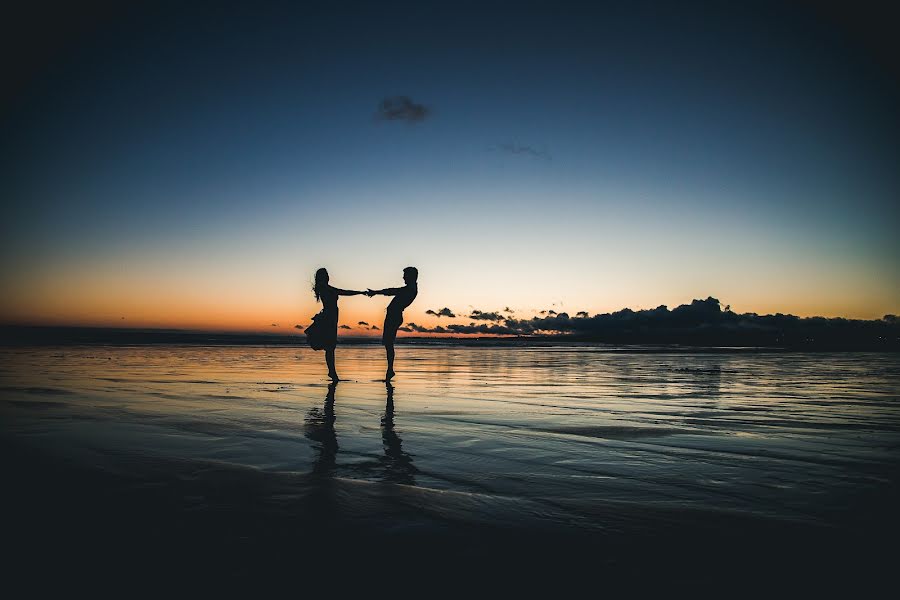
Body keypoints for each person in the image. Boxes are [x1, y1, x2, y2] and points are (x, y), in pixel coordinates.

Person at [311, 268, 366, 381]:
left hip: (330, 318)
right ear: (323, 277)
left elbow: (342, 292)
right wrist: (359, 292)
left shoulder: (323, 288)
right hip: (329, 319)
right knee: (330, 346)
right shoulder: (326, 288)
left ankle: (332, 372)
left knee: (330, 347)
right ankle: (332, 373)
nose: (328, 276)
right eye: (326, 275)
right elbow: (344, 292)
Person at [367, 267, 418, 381]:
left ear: (411, 276)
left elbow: (391, 291)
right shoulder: (411, 288)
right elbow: (392, 291)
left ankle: (390, 370)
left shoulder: (410, 289)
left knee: (388, 343)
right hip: (393, 316)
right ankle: (389, 370)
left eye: (405, 275)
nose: (403, 277)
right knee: (388, 344)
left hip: (394, 316)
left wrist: (375, 292)